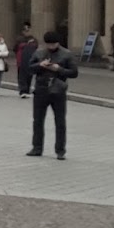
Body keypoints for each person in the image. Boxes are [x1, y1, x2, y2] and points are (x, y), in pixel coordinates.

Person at [25, 30, 78, 160]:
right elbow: (29, 68)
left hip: (58, 91)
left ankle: (60, 150)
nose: (51, 46)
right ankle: (37, 148)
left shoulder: (67, 54)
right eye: (48, 44)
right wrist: (40, 65)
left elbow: (74, 73)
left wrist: (59, 69)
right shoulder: (39, 53)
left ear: (58, 43)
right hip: (41, 90)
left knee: (60, 121)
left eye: (53, 44)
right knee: (38, 120)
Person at [14, 23, 37, 98]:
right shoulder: (19, 39)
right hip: (21, 60)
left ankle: (27, 90)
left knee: (29, 75)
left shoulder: (33, 39)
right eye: (26, 30)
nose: (27, 32)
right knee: (22, 76)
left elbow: (36, 47)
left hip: (31, 60)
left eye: (28, 30)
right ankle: (22, 90)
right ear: (23, 31)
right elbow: (15, 49)